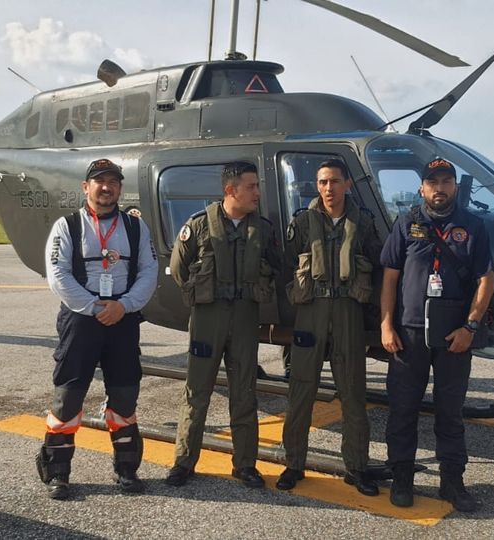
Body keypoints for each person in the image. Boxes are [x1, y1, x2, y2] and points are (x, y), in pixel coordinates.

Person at [37, 158, 159, 500]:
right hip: (81, 318)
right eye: (99, 181)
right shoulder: (67, 226)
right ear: (86, 187)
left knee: (125, 396)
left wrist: (124, 305)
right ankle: (58, 473)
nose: (107, 187)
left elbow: (149, 270)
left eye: (113, 182)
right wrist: (95, 307)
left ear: (120, 188)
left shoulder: (136, 227)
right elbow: (58, 275)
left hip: (123, 318)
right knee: (68, 397)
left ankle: (126, 469)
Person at [379, 158, 494, 512]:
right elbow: (390, 278)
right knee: (403, 410)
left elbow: (486, 279)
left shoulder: (473, 227)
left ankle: (452, 482)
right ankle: (402, 477)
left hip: (453, 336)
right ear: (422, 188)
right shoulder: (406, 224)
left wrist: (470, 327)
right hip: (409, 334)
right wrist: (386, 324)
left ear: (455, 187)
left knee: (450, 412)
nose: (439, 188)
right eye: (433, 182)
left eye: (446, 182)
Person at [165, 162, 281, 489]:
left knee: (244, 392)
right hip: (208, 318)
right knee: (196, 391)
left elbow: (276, 266)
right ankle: (183, 462)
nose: (257, 193)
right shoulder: (199, 225)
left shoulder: (263, 229)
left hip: (245, 317)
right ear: (231, 190)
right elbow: (179, 268)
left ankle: (245, 464)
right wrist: (206, 293)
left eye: (257, 186)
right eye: (251, 187)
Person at [277, 159, 381, 496]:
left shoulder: (363, 222)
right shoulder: (303, 222)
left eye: (334, 181)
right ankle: (294, 464)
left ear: (347, 184)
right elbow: (287, 264)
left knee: (353, 393)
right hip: (311, 312)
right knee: (301, 391)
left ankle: (357, 467)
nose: (328, 188)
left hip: (349, 312)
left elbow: (378, 265)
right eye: (322, 182)